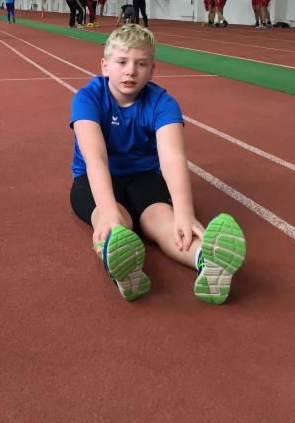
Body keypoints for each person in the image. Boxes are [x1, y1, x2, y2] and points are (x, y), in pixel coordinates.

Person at [69, 24, 246, 303]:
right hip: (95, 180)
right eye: (122, 62)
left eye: (141, 64)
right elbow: (96, 158)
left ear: (152, 69)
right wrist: (108, 211)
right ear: (105, 66)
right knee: (114, 222)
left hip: (144, 178)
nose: (130, 71)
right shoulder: (87, 98)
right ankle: (123, 267)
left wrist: (185, 213)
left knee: (164, 220)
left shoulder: (163, 102)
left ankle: (207, 260)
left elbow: (172, 158)